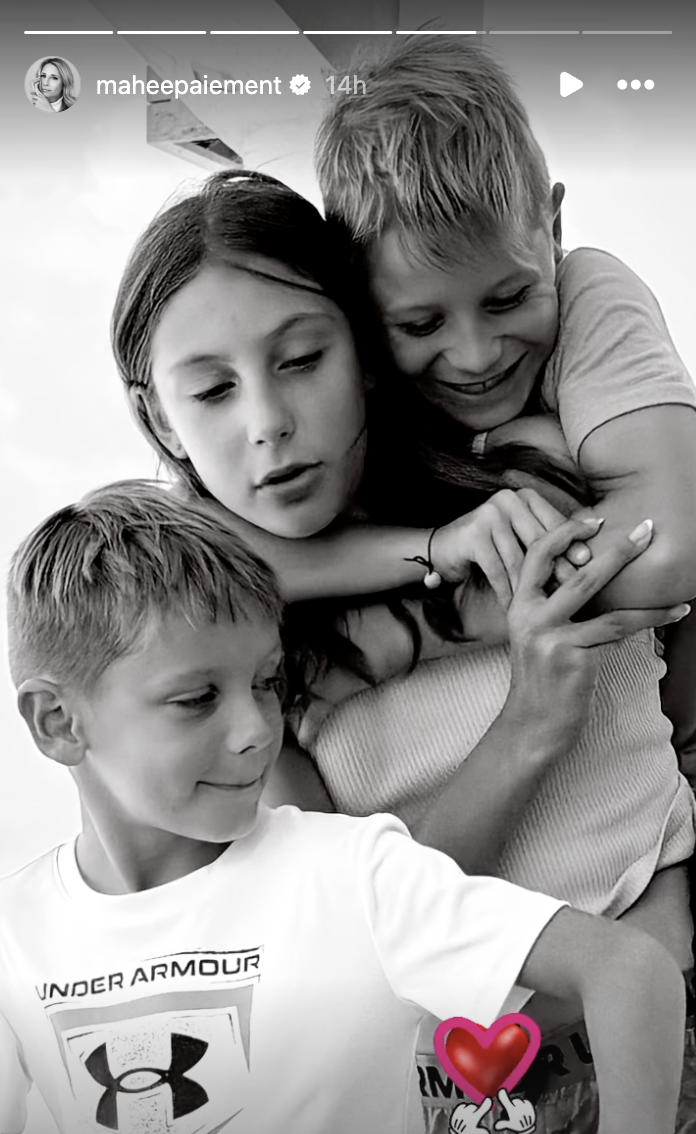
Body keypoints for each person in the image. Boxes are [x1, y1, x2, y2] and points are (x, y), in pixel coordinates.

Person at [111, 172, 695, 1131]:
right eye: (212, 390)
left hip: (662, 1038)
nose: (266, 423)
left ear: (367, 347)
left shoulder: (527, 474)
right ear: (161, 417)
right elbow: (354, 925)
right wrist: (526, 727)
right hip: (450, 1093)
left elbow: (668, 544)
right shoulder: (231, 653)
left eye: (301, 359)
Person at [1, 480, 686, 1134]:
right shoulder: (15, 937)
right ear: (57, 722)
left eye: (267, 683)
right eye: (197, 699)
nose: (256, 731)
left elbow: (629, 971)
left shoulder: (350, 872)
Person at [314, 33, 696, 780]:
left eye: (511, 298)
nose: (477, 355)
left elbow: (669, 543)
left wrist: (403, 633)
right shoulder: (344, 373)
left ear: (552, 229)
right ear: (357, 299)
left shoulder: (590, 288)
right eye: (422, 325)